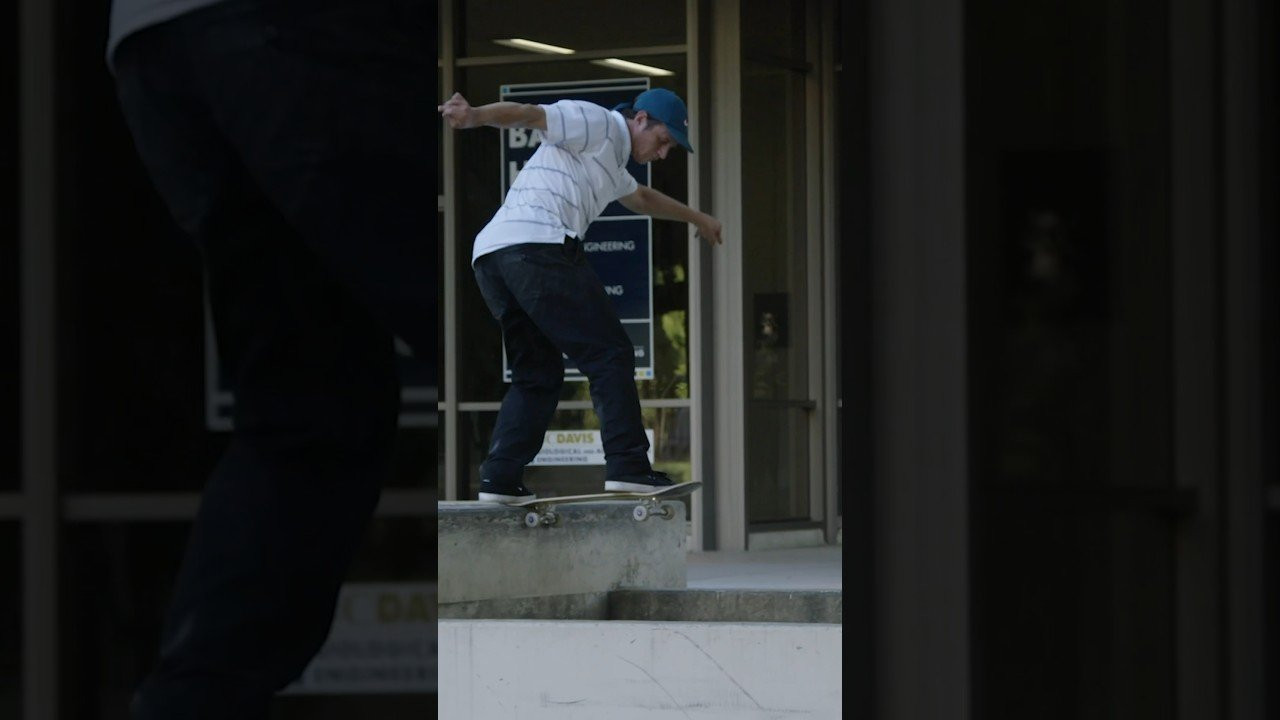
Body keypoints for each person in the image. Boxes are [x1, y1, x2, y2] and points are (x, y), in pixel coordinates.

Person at [107, 1, 432, 717]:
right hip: (302, 31)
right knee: (500, 327)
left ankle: (189, 703)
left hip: (157, 45)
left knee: (308, 413)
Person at [438, 88, 722, 503]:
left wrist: (698, 217)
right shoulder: (598, 122)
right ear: (640, 119)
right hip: (539, 246)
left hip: (494, 258)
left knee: (538, 374)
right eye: (662, 142)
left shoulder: (611, 165)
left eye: (670, 150)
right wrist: (475, 115)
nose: (662, 155)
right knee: (609, 354)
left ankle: (499, 479)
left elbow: (641, 198)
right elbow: (531, 115)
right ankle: (629, 468)